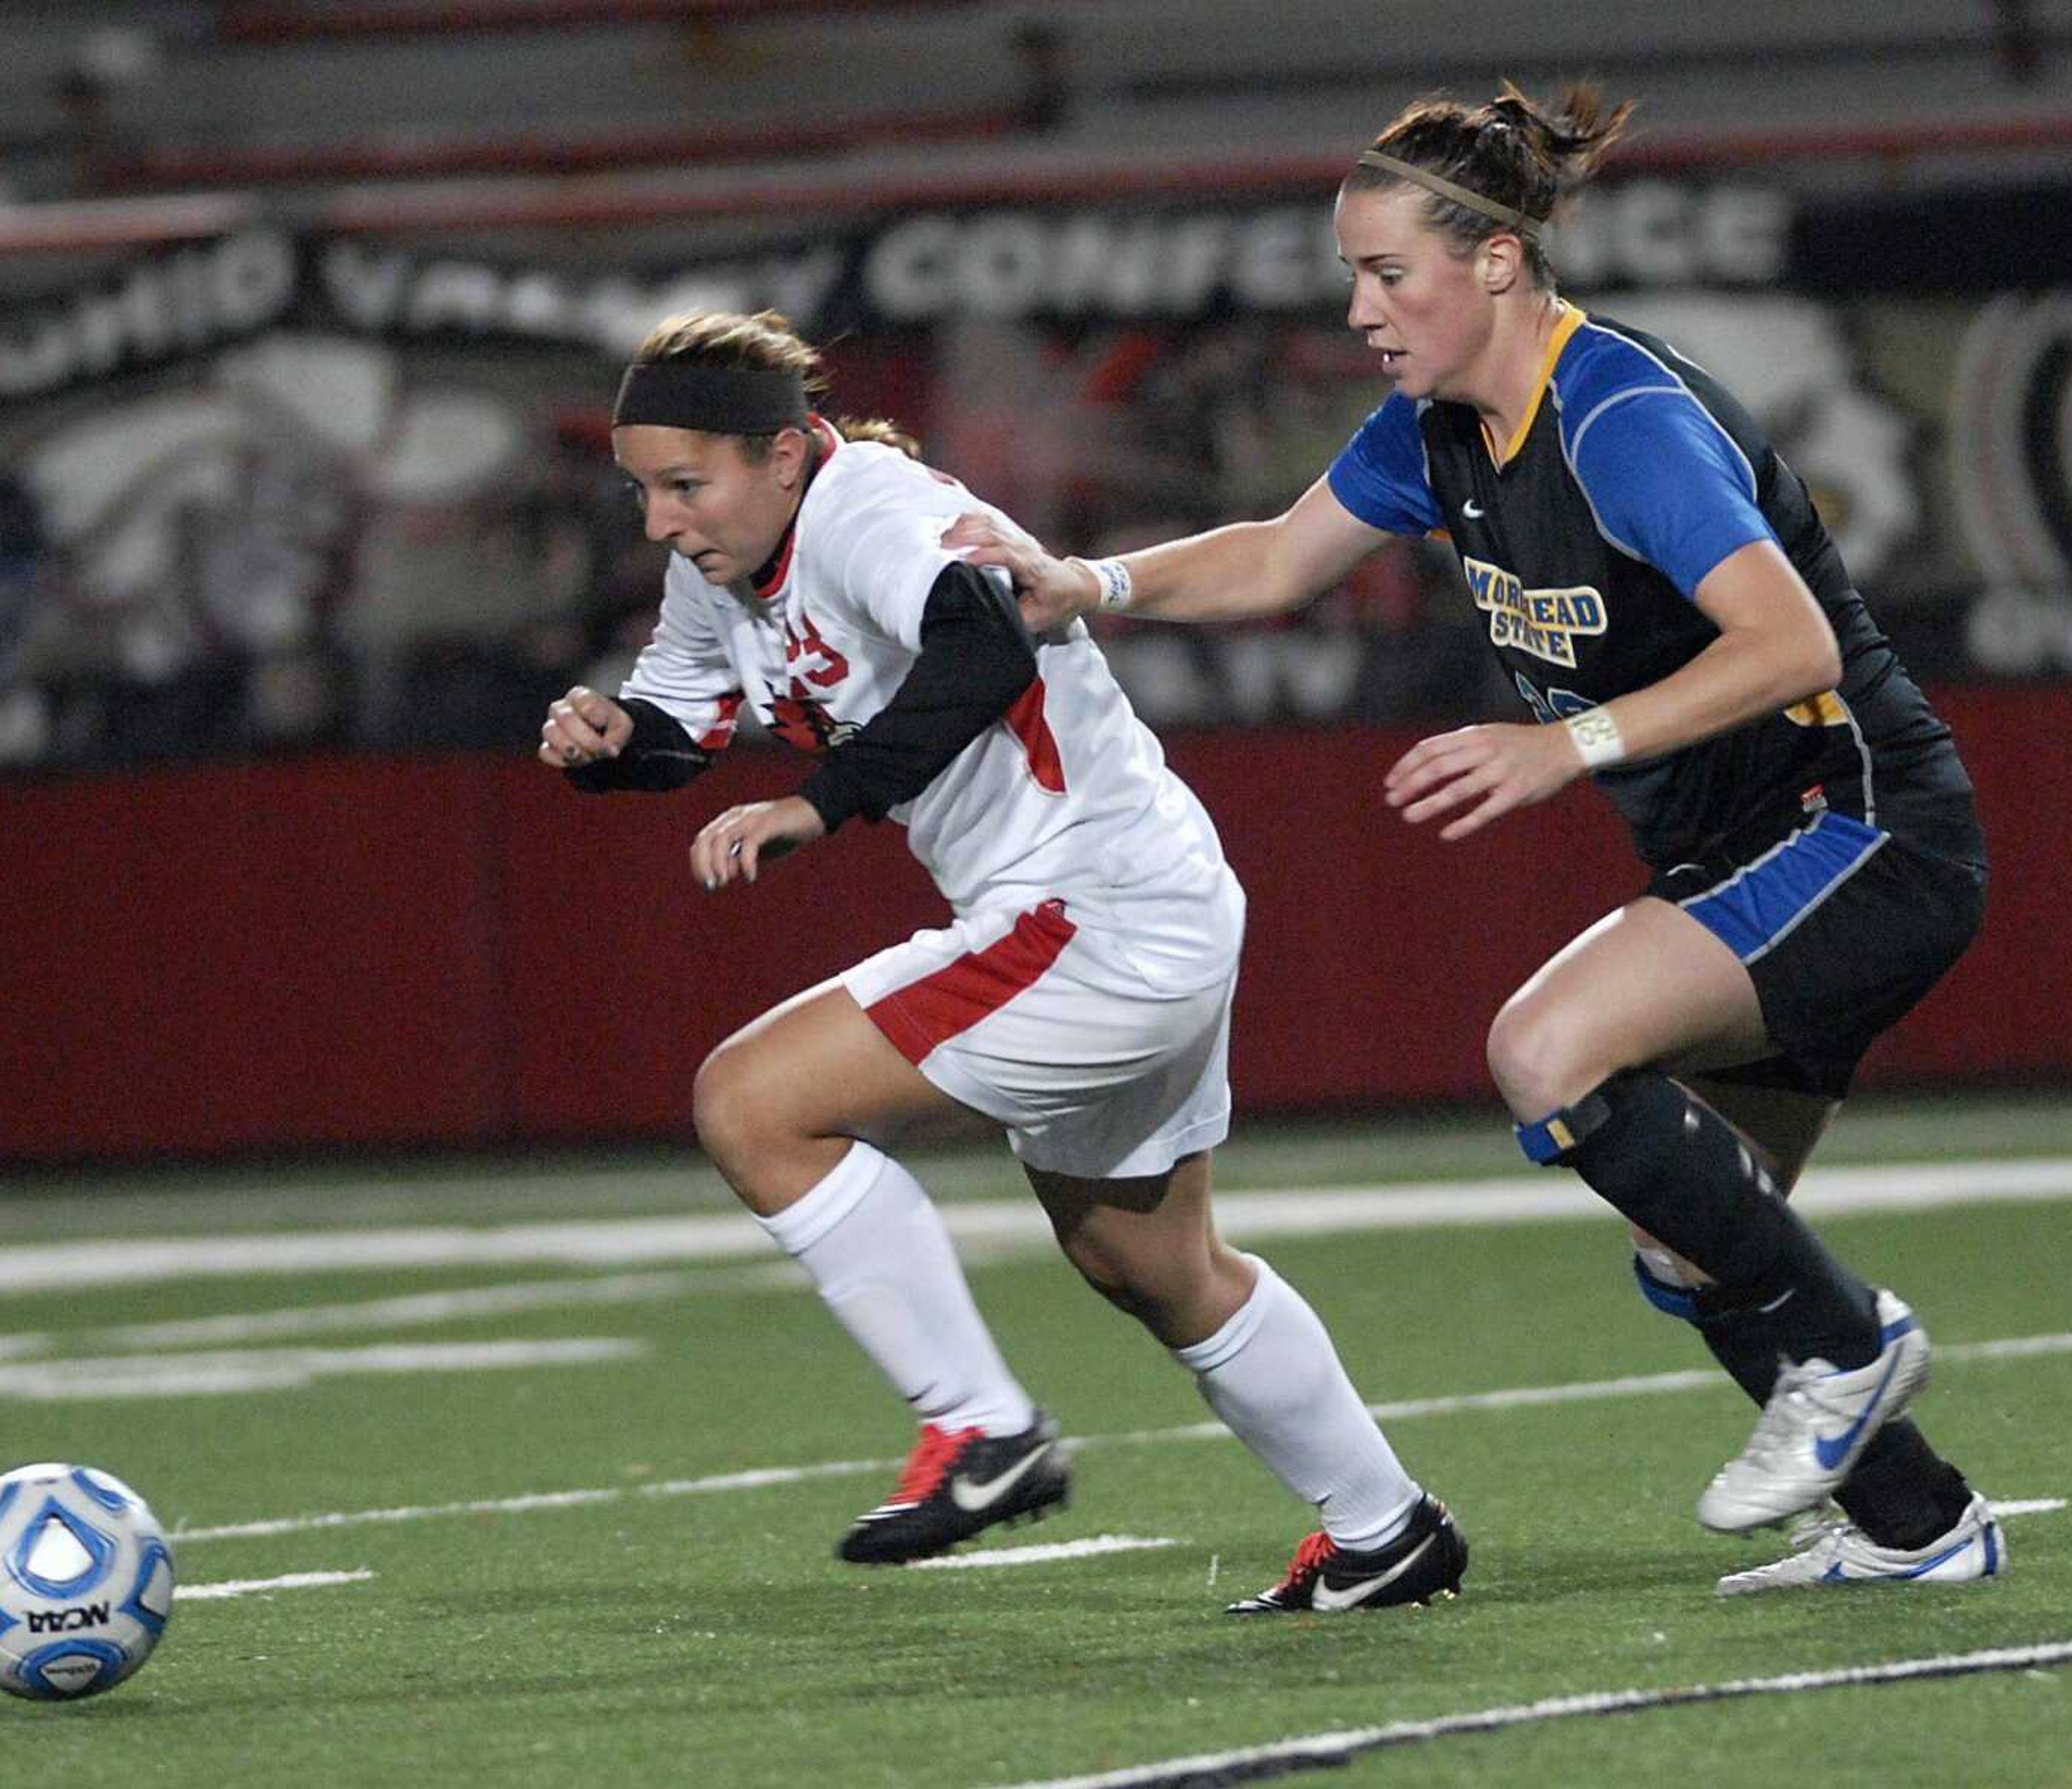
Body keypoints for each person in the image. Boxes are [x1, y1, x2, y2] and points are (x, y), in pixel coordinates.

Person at [948, 86, 2003, 1596]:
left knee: (1545, 1050)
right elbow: (1271, 557)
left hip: (1864, 830)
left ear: (1498, 261)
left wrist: (1557, 745)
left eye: (1389, 274)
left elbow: (1786, 644)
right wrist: (1092, 582)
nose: (1363, 309)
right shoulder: (1438, 429)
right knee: (1698, 1234)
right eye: (1350, 278)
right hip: (1750, 853)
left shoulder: (1620, 415)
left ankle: (1854, 1344)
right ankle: (1922, 1524)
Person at [538, 308, 1466, 1611]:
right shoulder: (722, 561)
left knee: (749, 1101)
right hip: (1133, 894)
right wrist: (610, 741)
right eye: (643, 489)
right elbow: (682, 722)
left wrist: (822, 802)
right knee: (1149, 1262)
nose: (660, 520)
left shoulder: (867, 502)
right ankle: (1389, 1530)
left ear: (789, 453)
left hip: (1095, 905)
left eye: (685, 484)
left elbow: (983, 633)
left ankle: (981, 1425)